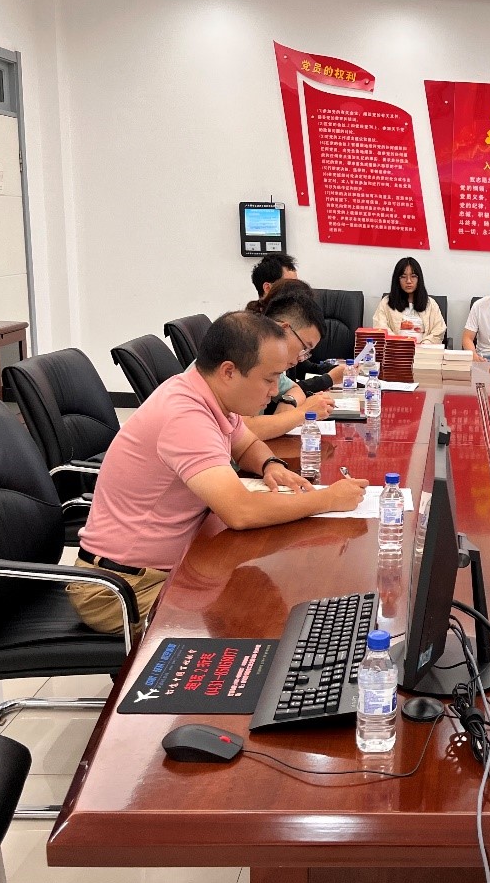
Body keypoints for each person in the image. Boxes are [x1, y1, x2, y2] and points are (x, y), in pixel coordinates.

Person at [68, 311, 368, 636]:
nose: (274, 391)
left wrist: (271, 465)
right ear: (228, 371)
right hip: (120, 588)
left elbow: (245, 444)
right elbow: (240, 511)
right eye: (269, 379)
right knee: (258, 615)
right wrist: (328, 499)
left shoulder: (210, 396)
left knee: (270, 588)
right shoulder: (186, 415)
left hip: (169, 565)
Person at [242, 281, 334, 439]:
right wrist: (303, 413)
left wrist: (287, 403)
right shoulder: (242, 354)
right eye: (304, 347)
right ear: (283, 329)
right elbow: (241, 432)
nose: (301, 358)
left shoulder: (269, 361)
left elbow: (294, 389)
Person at [245, 253, 344, 394]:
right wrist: (329, 379)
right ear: (268, 288)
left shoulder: (288, 330)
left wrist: (339, 369)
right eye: (290, 285)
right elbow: (276, 395)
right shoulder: (254, 337)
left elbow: (295, 379)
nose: (297, 292)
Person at [372, 257, 447, 345]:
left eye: (413, 276)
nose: (408, 281)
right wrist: (398, 344)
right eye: (403, 277)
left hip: (424, 350)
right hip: (395, 349)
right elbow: (380, 328)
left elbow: (438, 331)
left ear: (419, 279)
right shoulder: (386, 303)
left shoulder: (430, 304)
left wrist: (424, 344)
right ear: (397, 279)